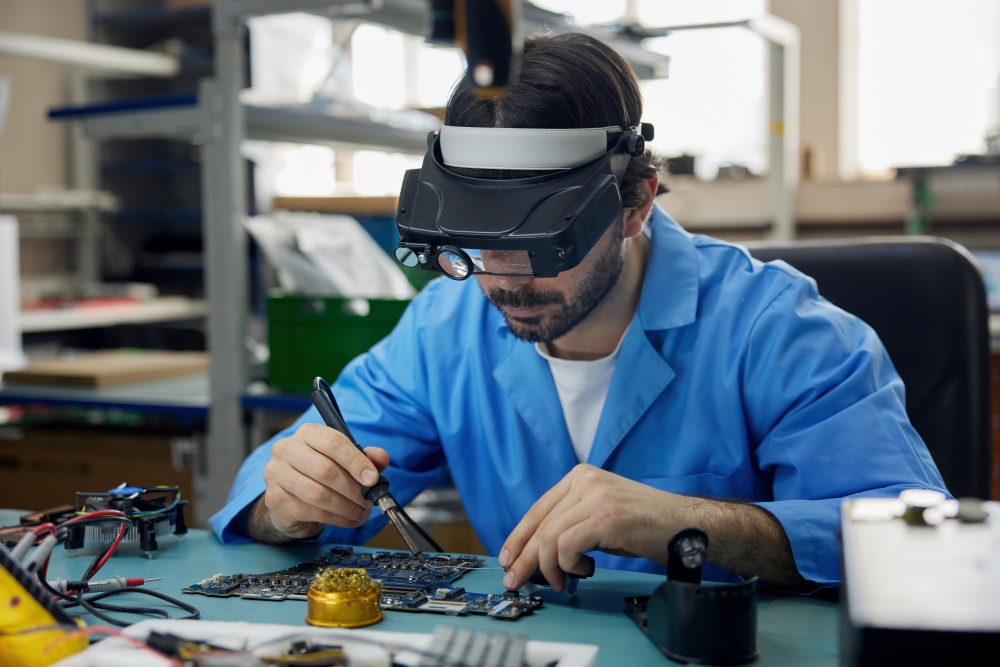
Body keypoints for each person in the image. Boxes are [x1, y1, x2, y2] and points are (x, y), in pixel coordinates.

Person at [211, 32, 948, 592]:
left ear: (637, 202)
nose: (503, 279)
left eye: (542, 244)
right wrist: (287, 502)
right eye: (477, 247)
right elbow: (274, 485)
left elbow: (919, 542)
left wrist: (689, 525)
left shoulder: (778, 330)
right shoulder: (446, 330)